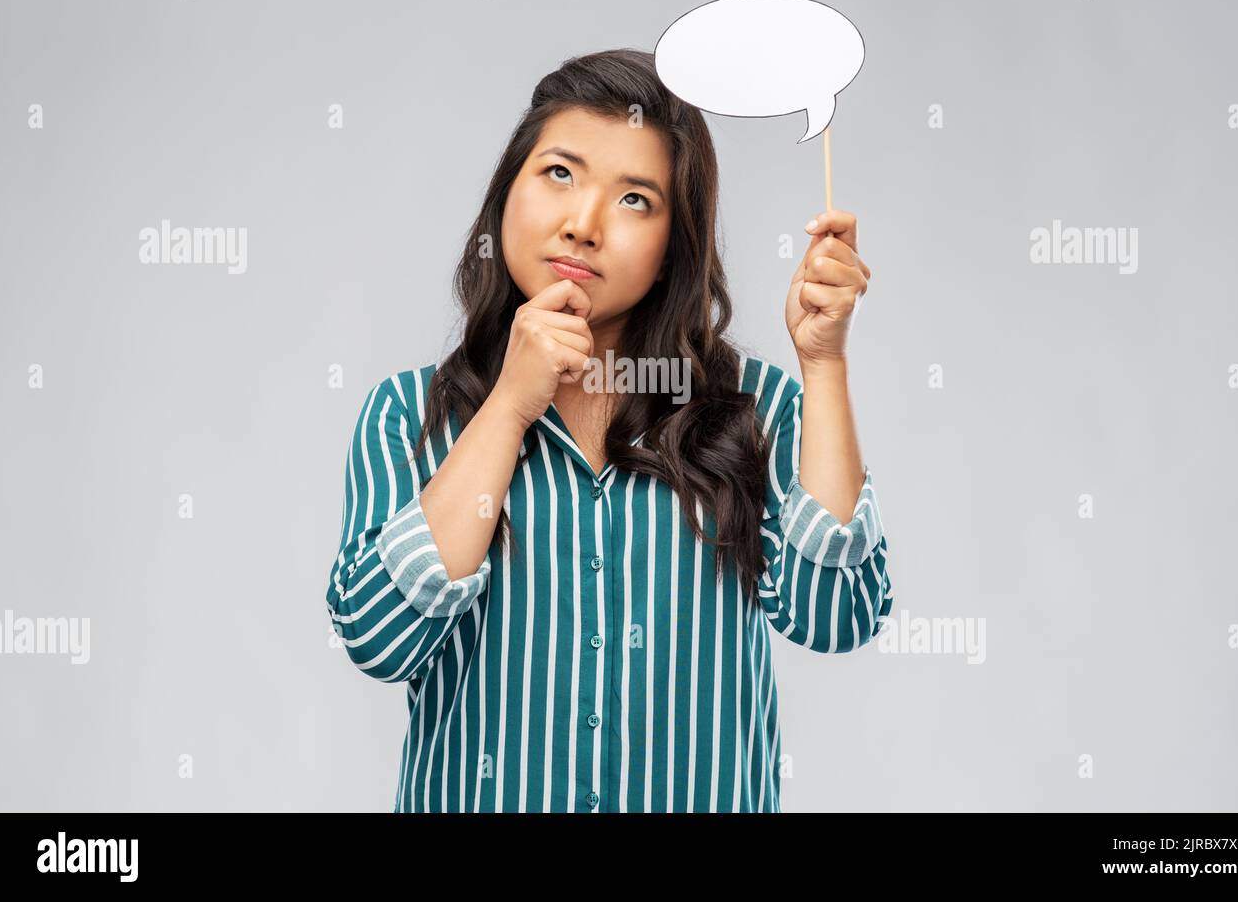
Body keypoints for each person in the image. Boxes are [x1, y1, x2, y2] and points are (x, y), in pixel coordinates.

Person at [326, 48, 893, 812]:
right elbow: (378, 638)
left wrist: (823, 366)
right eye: (559, 173)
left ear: (672, 249)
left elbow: (838, 615)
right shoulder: (408, 414)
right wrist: (508, 409)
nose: (583, 225)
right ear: (506, 196)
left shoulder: (750, 409)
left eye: (635, 200)